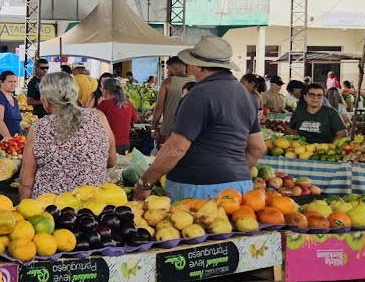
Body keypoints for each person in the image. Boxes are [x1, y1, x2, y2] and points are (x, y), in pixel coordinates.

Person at [133, 36, 266, 201]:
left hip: (197, 188)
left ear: (199, 67)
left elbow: (176, 148)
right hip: (240, 188)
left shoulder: (198, 94)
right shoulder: (245, 94)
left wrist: (145, 183)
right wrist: (232, 175)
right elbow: (258, 148)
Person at [19, 73, 116, 200]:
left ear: (46, 100)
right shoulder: (98, 117)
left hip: (51, 211)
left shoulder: (39, 128)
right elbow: (111, 161)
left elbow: (26, 183)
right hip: (94, 206)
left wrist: (25, 211)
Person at [150, 56, 194, 143]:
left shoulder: (167, 82)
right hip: (190, 131)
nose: (167, 71)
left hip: (168, 129)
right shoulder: (196, 82)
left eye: (168, 69)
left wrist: (153, 128)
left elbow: (159, 107)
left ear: (175, 68)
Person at [95, 77, 136, 154]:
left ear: (105, 90)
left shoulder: (104, 105)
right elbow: (135, 118)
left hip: (109, 144)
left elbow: (95, 121)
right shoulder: (128, 103)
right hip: (126, 144)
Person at [0, 70, 22, 143]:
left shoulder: (14, 99)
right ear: (1, 82)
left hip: (14, 142)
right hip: (1, 142)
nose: (13, 84)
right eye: (10, 82)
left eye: (15, 81)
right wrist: (9, 139)